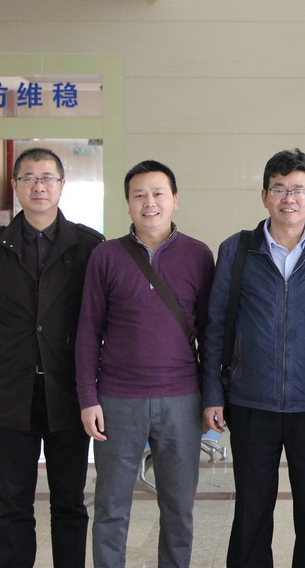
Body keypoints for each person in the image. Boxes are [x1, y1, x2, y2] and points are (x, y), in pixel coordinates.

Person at [201, 149, 305, 568]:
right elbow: (215, 327)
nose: (289, 198)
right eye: (279, 189)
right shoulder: (237, 250)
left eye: (298, 190)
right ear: (264, 195)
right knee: (251, 508)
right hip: (251, 401)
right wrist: (213, 395)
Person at [75, 160, 215, 568]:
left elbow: (211, 334)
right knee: (111, 506)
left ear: (175, 200)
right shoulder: (106, 256)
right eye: (139, 195)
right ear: (128, 203)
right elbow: (88, 330)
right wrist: (87, 398)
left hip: (182, 400)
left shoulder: (198, 255)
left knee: (179, 508)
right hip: (117, 400)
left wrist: (212, 398)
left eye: (158, 193)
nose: (149, 202)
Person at [0, 147, 104, 568]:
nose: (38, 186)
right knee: (13, 505)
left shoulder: (88, 246)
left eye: (47, 178)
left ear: (62, 186)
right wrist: (18, 348)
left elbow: (98, 316)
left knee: (69, 503)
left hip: (68, 391)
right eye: (28, 178)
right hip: (12, 392)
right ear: (16, 186)